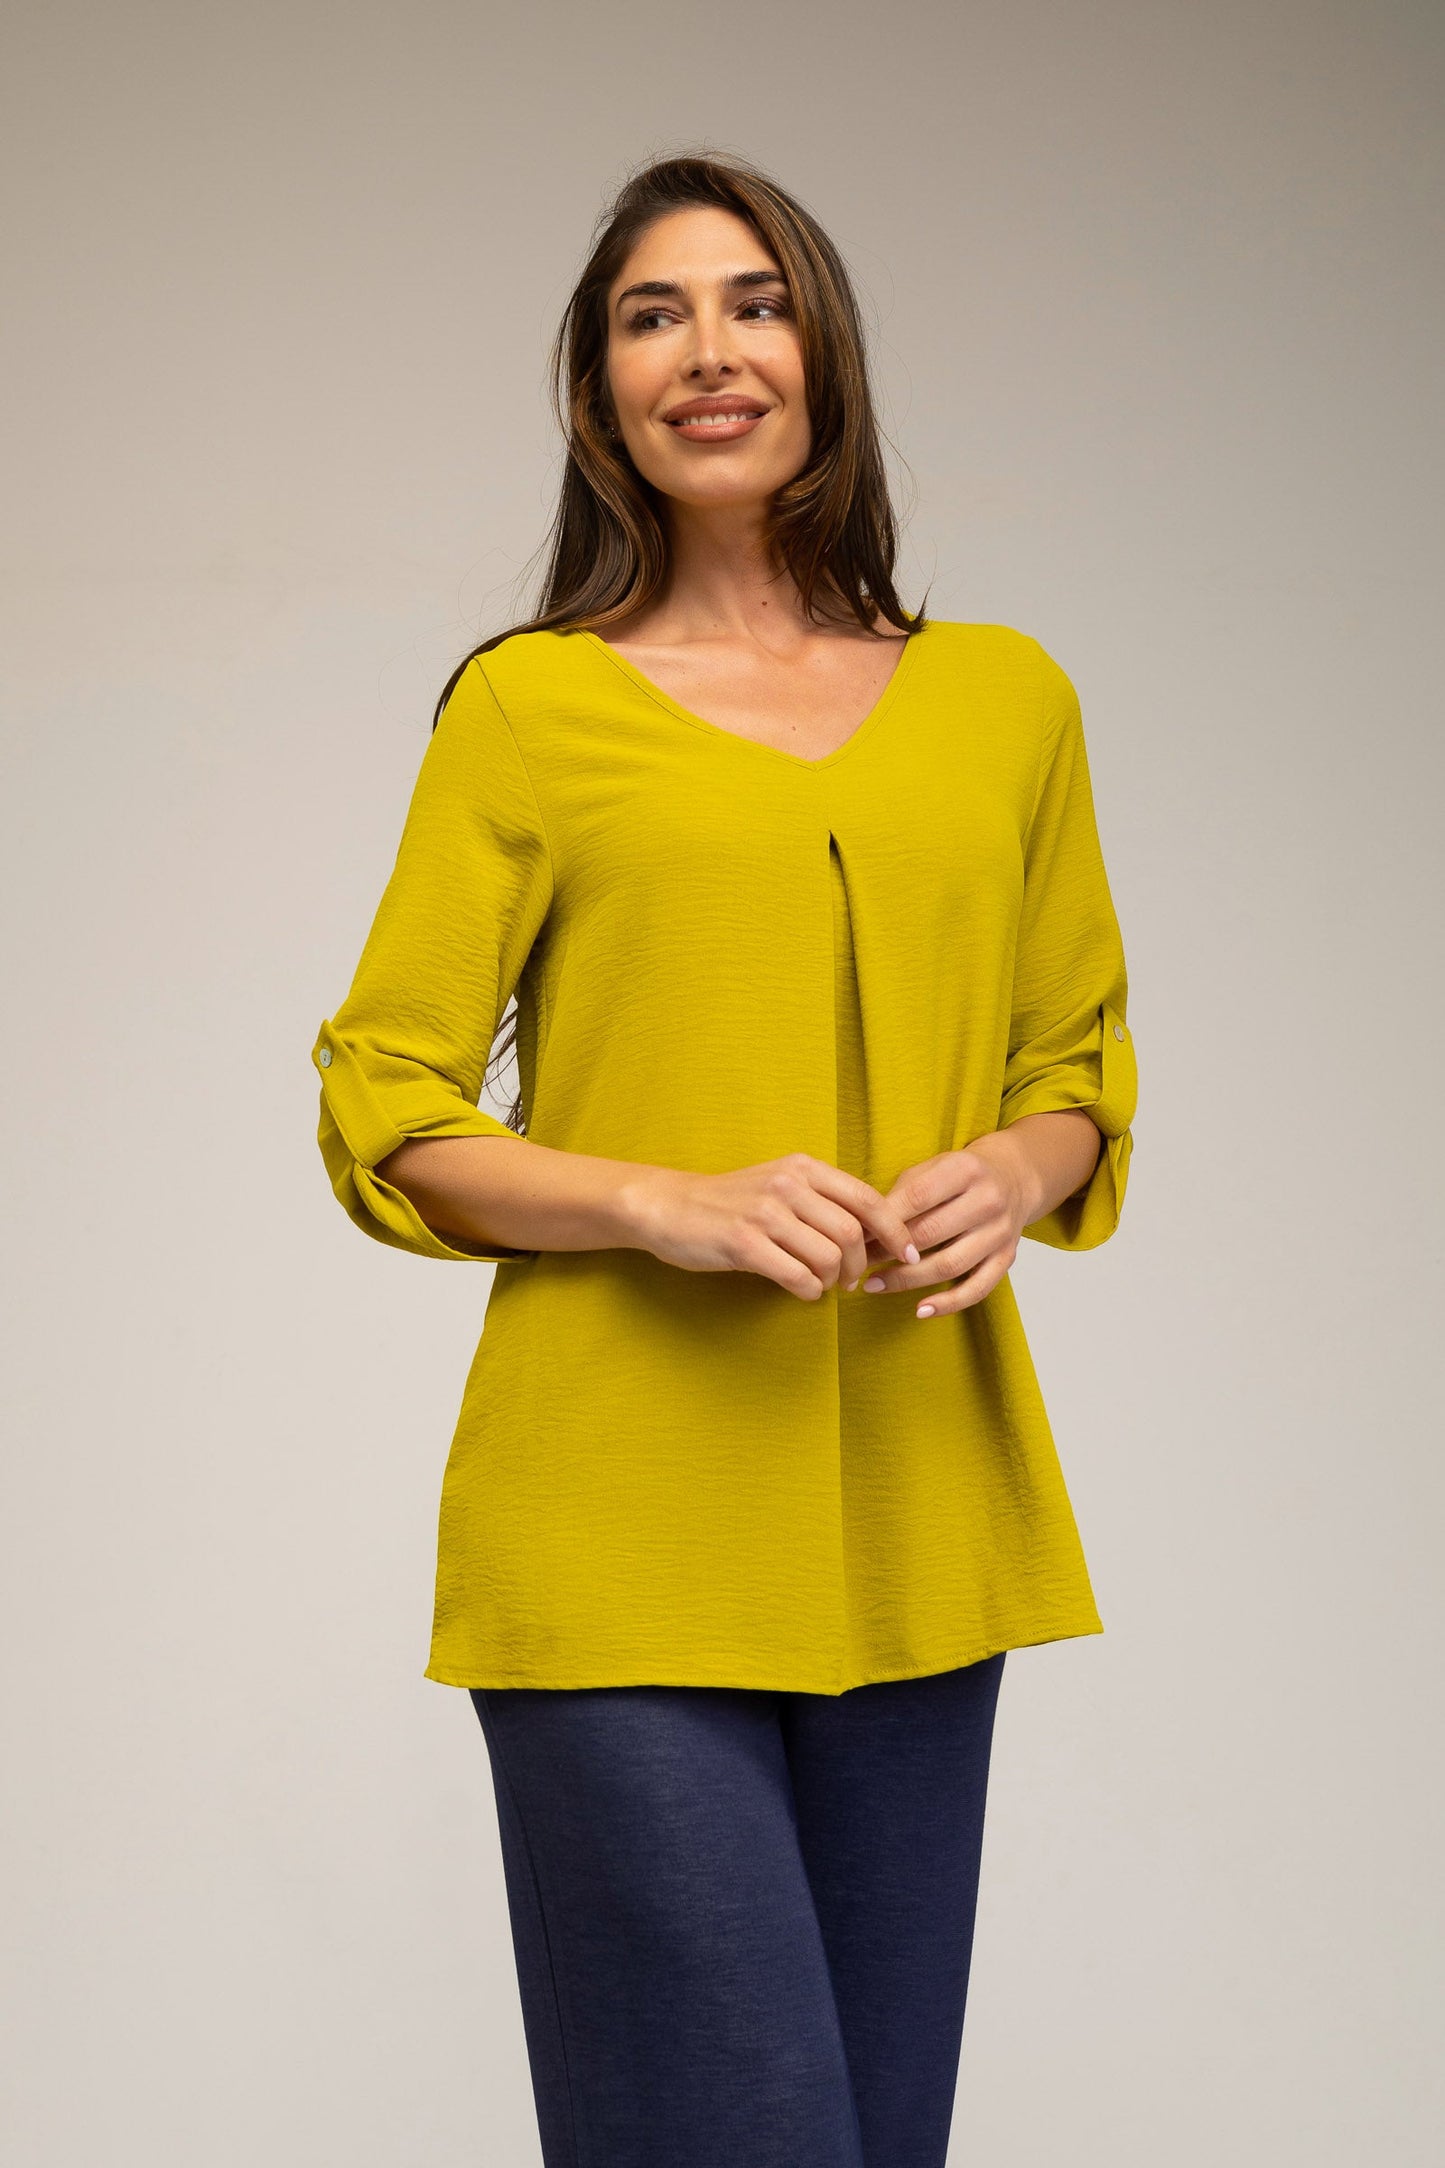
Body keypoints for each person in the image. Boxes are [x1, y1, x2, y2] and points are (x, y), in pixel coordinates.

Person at [312, 149, 1137, 2168]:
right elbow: (386, 1100)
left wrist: (1015, 1175)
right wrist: (658, 1201)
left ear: (823, 355)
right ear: (600, 394)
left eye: (755, 302)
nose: (709, 350)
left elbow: (1079, 1061)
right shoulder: (528, 712)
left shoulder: (1006, 704)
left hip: (922, 1521)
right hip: (618, 1528)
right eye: (651, 314)